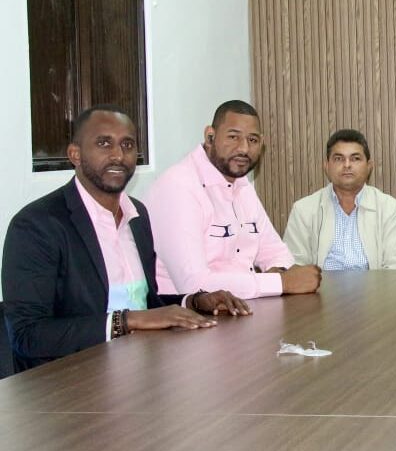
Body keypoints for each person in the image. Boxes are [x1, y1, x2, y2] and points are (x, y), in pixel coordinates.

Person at [2, 106, 250, 371]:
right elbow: (28, 335)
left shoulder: (138, 216)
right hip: (67, 384)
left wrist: (194, 301)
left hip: (138, 368)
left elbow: (147, 305)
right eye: (104, 143)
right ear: (75, 154)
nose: (118, 155)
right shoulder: (37, 225)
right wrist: (127, 321)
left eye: (127, 144)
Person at [145, 100, 321, 298]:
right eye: (233, 137)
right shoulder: (178, 187)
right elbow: (194, 284)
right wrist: (280, 282)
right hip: (186, 317)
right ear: (210, 136)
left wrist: (279, 272)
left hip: (238, 309)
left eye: (253, 140)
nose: (244, 149)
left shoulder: (242, 186)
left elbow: (275, 252)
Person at [284, 129, 396, 269]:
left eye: (355, 158)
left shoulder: (390, 208)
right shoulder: (303, 210)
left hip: (375, 289)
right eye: (338, 158)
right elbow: (294, 266)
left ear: (369, 166)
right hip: (322, 290)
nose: (347, 165)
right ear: (327, 166)